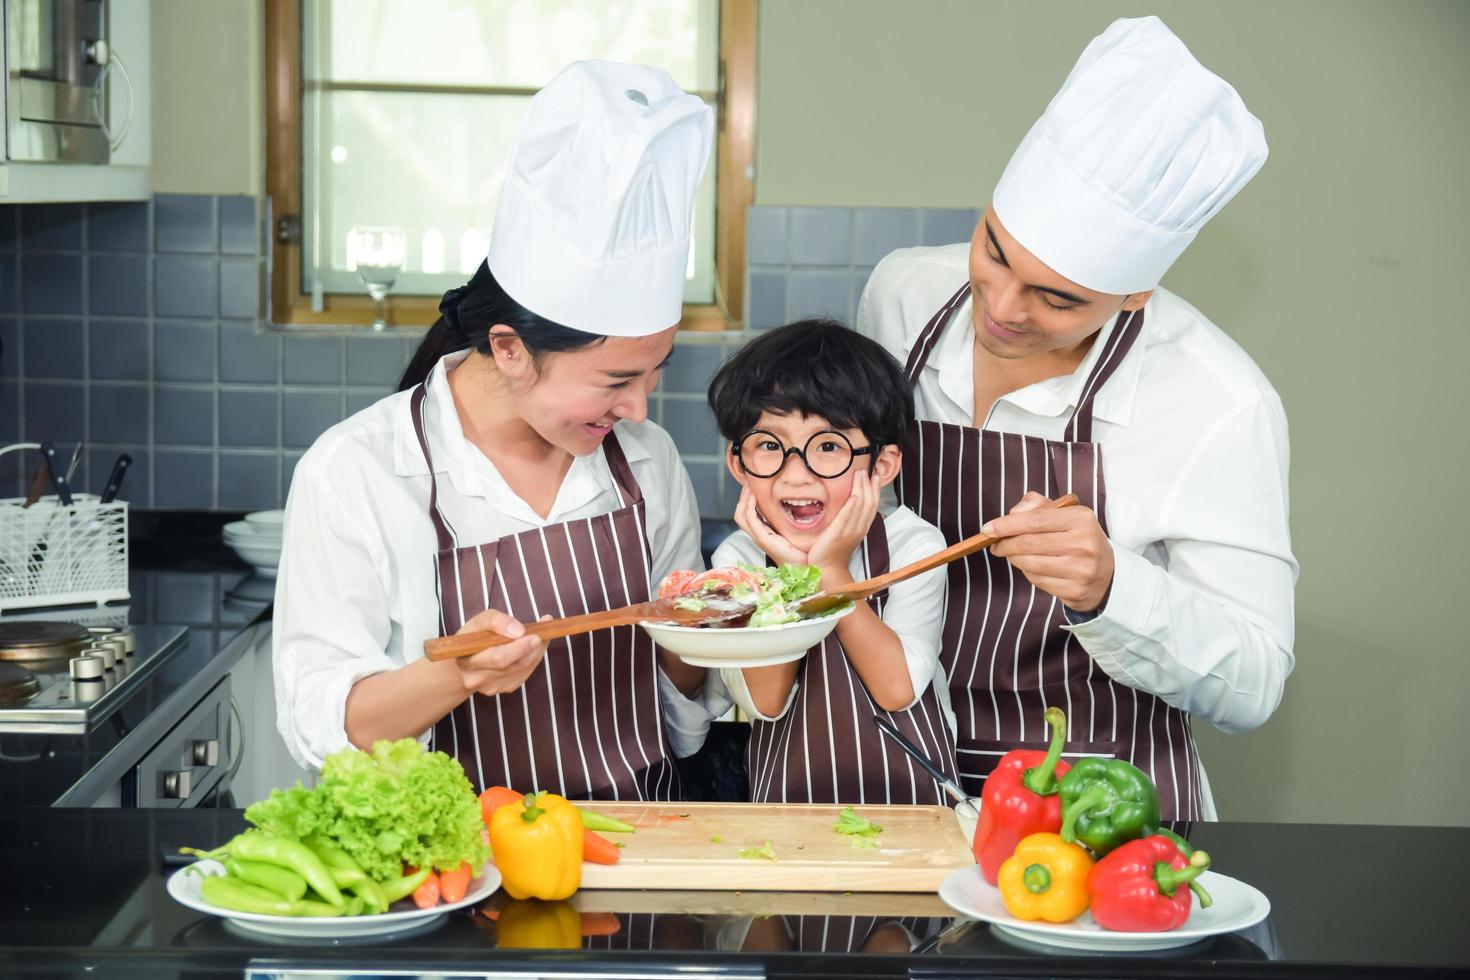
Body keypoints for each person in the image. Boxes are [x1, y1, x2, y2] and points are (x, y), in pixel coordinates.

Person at [857, 16, 1297, 819]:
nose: (1001, 309)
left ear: (1135, 292)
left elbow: (1256, 681)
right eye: (993, 249)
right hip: (900, 768)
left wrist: (1110, 586)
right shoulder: (900, 297)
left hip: (1101, 801)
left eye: (1057, 299)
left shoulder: (1216, 402)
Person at [273, 60, 715, 800]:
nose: (639, 409)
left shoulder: (649, 462)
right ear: (510, 349)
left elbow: (679, 714)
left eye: (655, 371)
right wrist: (455, 673)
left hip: (642, 861)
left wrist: (708, 632)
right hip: (452, 871)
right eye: (614, 381)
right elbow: (324, 725)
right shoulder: (359, 470)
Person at [703, 319, 959, 804]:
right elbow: (765, 701)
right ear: (739, 464)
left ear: (881, 466)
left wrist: (832, 573)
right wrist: (789, 575)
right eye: (769, 446)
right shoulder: (737, 560)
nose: (796, 476)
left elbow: (896, 690)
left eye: (828, 447)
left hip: (919, 810)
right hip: (785, 812)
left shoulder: (914, 547)